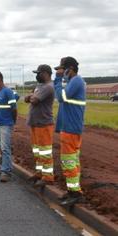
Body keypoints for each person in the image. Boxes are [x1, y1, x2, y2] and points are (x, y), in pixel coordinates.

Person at [54, 57, 86, 206]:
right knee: (73, 162)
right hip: (70, 128)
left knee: (68, 162)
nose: (61, 72)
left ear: (70, 69)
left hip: (71, 129)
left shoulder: (76, 81)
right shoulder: (74, 82)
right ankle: (73, 190)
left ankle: (75, 193)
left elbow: (61, 97)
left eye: (62, 69)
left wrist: (58, 79)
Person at [25, 64, 55, 187]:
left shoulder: (48, 87)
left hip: (44, 124)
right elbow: (27, 98)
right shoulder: (40, 87)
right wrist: (31, 97)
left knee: (45, 152)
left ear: (46, 74)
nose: (37, 76)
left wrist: (31, 97)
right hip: (35, 124)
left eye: (39, 73)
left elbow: (34, 100)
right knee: (37, 151)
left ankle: (48, 177)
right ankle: (39, 172)